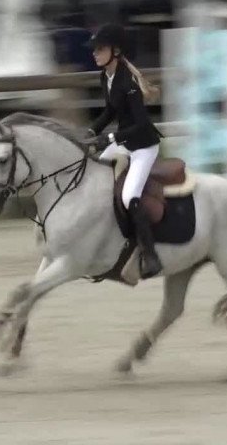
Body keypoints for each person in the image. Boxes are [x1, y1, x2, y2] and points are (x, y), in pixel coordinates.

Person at [87, 23, 163, 279]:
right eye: (94, 50)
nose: (95, 54)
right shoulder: (105, 76)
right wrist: (90, 131)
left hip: (143, 146)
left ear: (115, 51)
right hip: (123, 142)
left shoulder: (128, 80)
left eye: (100, 49)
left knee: (130, 195)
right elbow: (110, 111)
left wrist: (110, 136)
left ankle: (150, 255)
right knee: (94, 172)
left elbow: (141, 124)